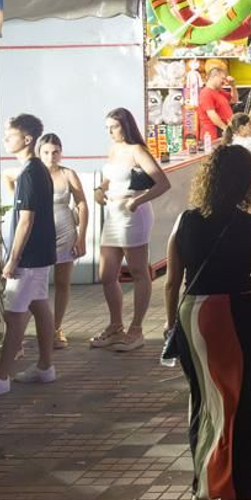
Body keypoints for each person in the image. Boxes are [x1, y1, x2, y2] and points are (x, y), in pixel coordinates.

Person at [163, 145, 251, 500]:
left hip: (193, 317)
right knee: (238, 407)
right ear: (248, 182)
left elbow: (171, 283)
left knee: (205, 404)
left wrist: (171, 326)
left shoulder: (184, 221)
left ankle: (201, 492)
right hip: (238, 316)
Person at [92, 108, 171, 349]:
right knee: (107, 274)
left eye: (114, 127)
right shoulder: (114, 149)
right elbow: (110, 177)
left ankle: (136, 329)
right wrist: (100, 189)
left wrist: (137, 201)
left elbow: (162, 183)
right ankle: (115, 325)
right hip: (113, 212)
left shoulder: (137, 150)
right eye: (107, 128)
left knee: (138, 270)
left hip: (133, 213)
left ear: (125, 126)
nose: (110, 132)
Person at [0, 114, 58, 394]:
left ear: (27, 139)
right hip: (40, 253)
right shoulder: (37, 170)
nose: (6, 140)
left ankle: (1, 377)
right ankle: (45, 366)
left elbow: (25, 220)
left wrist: (13, 259)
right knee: (39, 305)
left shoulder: (30, 173)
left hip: (29, 257)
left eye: (10, 135)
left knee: (14, 314)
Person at [38, 134, 87, 347]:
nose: (51, 156)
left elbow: (82, 204)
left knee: (62, 282)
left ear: (61, 152)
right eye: (46, 152)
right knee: (36, 283)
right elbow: (8, 177)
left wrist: (81, 237)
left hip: (65, 231)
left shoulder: (68, 174)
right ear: (39, 153)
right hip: (40, 233)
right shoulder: (33, 174)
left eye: (55, 152)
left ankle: (56, 327)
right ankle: (41, 326)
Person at [196, 66, 233, 150]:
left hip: (222, 132)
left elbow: (234, 99)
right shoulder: (206, 93)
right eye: (222, 78)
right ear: (214, 76)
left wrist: (233, 86)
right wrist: (225, 128)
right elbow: (212, 114)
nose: (224, 81)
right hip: (213, 134)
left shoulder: (219, 92)